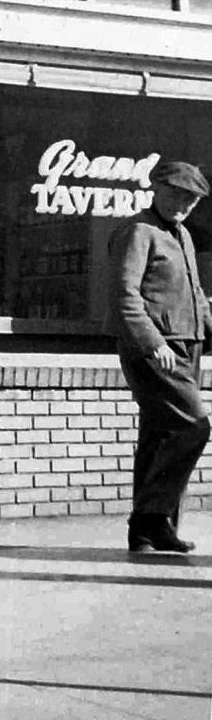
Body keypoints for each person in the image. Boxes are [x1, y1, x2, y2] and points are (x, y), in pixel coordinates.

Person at [107, 159, 212, 553]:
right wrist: (153, 343)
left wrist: (207, 328)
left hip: (188, 344)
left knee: (160, 435)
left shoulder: (182, 234)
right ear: (156, 188)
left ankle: (153, 529)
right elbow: (124, 296)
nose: (184, 205)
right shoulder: (137, 231)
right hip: (156, 348)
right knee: (193, 426)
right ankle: (149, 517)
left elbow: (196, 294)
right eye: (177, 195)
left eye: (193, 199)